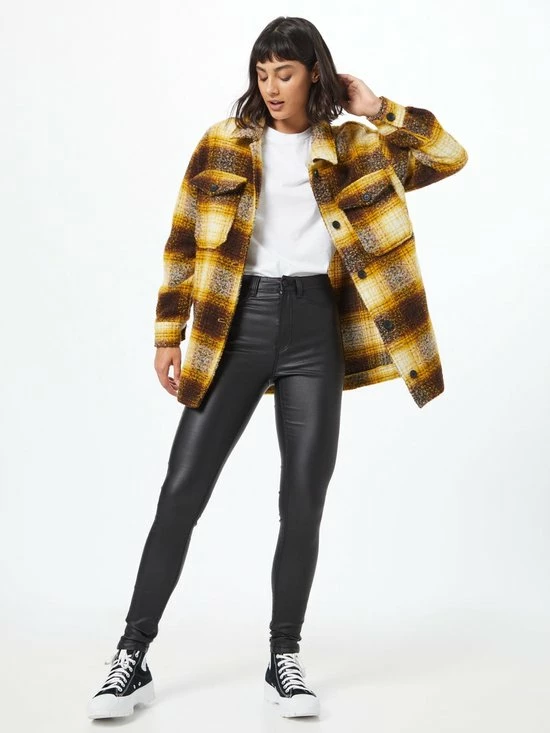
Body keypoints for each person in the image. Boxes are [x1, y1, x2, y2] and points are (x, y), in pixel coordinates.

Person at [87, 15, 468, 721]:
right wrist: (169, 333)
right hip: (234, 326)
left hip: (315, 333)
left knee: (303, 498)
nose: (271, 87)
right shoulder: (223, 143)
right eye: (262, 73)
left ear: (315, 74)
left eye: (285, 73)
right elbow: (182, 240)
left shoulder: (356, 148)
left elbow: (448, 156)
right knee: (181, 491)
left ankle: (283, 657)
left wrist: (378, 108)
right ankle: (131, 656)